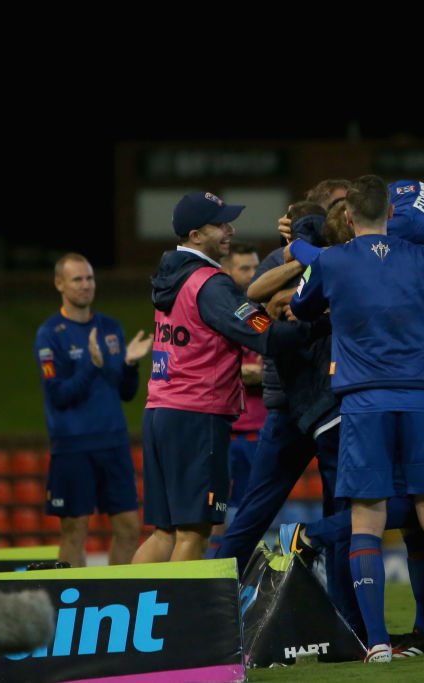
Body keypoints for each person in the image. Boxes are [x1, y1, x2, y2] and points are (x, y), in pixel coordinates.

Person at [290, 175, 424, 663]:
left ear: (347, 217)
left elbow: (302, 305)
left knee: (368, 519)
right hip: (422, 401)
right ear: (391, 214)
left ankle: (379, 644)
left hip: (363, 405)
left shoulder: (331, 261)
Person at [133, 191, 323, 564]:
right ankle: (179, 621)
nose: (230, 230)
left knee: (163, 533)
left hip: (160, 411)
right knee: (194, 535)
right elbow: (264, 335)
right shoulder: (211, 283)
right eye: (220, 224)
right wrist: (318, 325)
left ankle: (143, 619)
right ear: (195, 235)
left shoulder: (171, 277)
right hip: (196, 417)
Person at [34, 253, 151, 567]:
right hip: (73, 446)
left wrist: (130, 364)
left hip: (113, 443)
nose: (86, 285)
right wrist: (90, 364)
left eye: (89, 278)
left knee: (128, 527)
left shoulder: (110, 328)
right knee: (75, 529)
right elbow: (58, 394)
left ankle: (119, 599)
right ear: (60, 284)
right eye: (77, 279)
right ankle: (73, 605)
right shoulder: (50, 334)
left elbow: (126, 393)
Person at [205, 242, 266, 556]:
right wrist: (245, 372)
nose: (254, 273)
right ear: (226, 272)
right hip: (225, 432)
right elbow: (210, 366)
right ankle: (215, 580)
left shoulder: (261, 313)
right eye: (245, 268)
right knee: (216, 515)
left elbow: (275, 351)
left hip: (260, 433)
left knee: (253, 514)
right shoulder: (217, 311)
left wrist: (258, 372)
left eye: (256, 266)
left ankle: (246, 579)